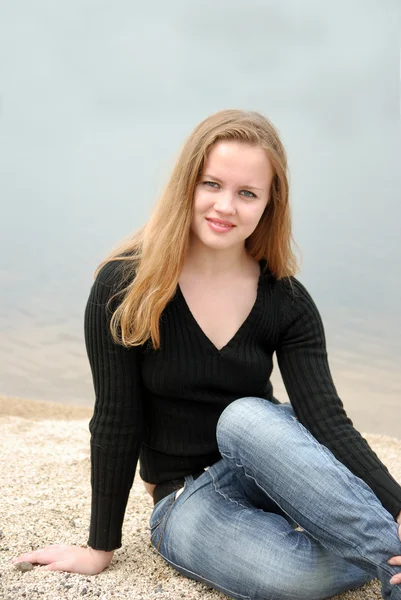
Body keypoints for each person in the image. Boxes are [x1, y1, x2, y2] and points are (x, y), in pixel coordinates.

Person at [12, 110, 401, 599]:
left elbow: (325, 419)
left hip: (268, 466)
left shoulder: (287, 300)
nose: (225, 206)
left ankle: (386, 550)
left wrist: (397, 506)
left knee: (247, 418)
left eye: (247, 193)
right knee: (297, 578)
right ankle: (384, 556)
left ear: (268, 205)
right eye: (211, 184)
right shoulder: (124, 286)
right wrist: (99, 547)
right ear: (187, 185)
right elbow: (115, 419)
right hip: (184, 499)